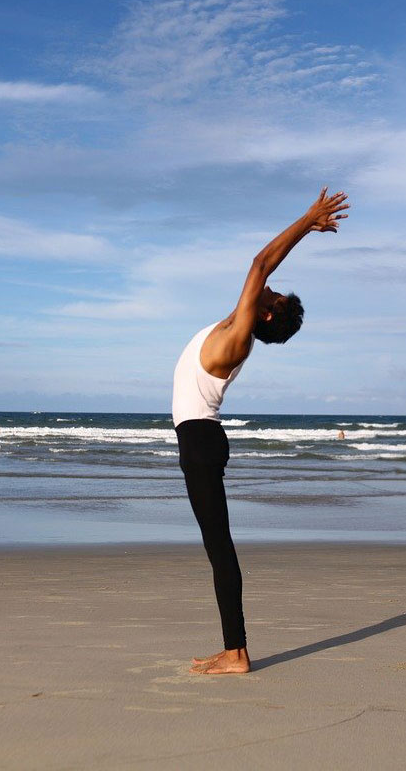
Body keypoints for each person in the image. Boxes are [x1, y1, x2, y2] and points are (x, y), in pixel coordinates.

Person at [172, 187, 349, 674]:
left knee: (219, 547)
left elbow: (259, 262)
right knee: (216, 546)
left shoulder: (238, 335)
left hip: (201, 442)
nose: (266, 286)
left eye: (271, 294)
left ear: (266, 313)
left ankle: (237, 652)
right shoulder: (235, 324)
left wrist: (308, 221)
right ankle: (233, 648)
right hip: (200, 441)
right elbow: (258, 272)